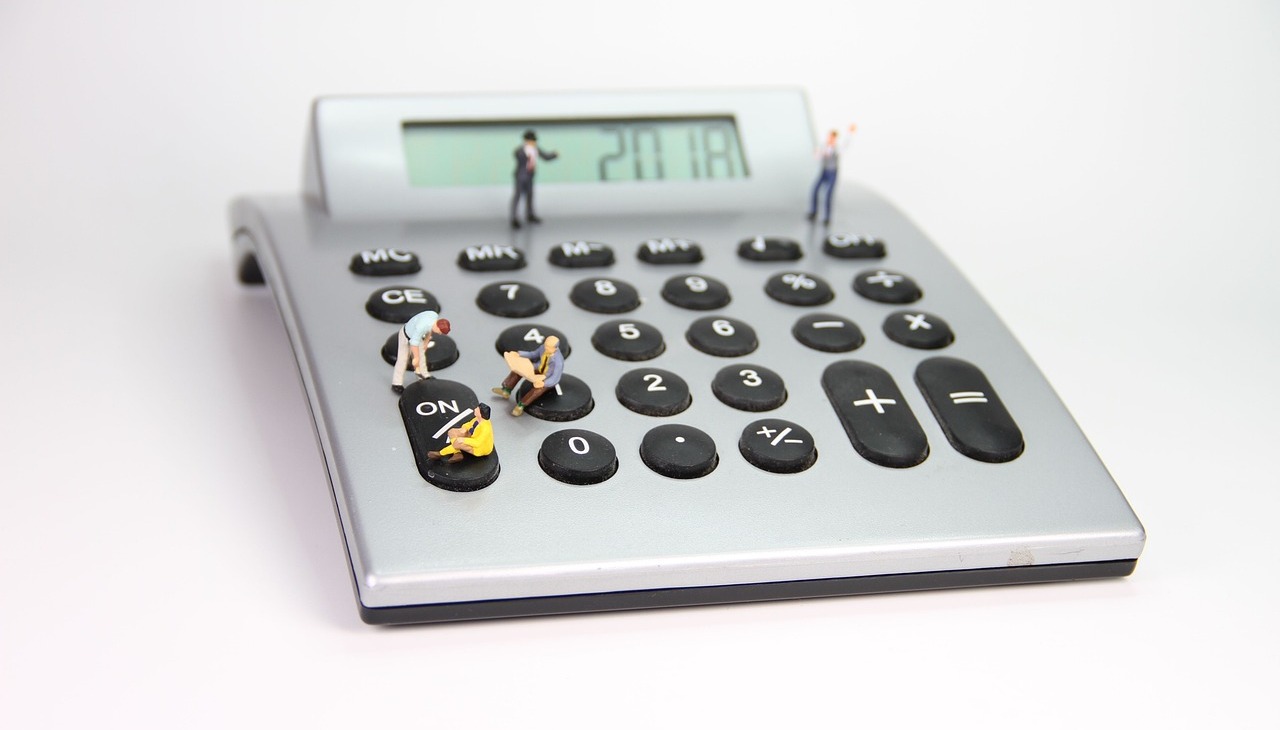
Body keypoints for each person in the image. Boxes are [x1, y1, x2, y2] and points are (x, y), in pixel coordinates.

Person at [492, 336, 564, 416]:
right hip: (538, 368)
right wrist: (519, 354)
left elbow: (555, 378)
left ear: (555, 348)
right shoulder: (543, 348)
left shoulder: (559, 361)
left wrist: (543, 383)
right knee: (518, 370)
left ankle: (521, 406)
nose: (545, 347)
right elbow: (533, 354)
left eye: (548, 347)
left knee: (537, 389)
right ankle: (506, 390)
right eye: (545, 345)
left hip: (547, 377)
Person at [806, 124, 857, 226]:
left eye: (833, 138)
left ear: (835, 139)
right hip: (824, 171)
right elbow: (816, 156)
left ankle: (827, 217)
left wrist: (850, 133)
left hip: (832, 172)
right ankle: (814, 211)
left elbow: (846, 145)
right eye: (830, 137)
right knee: (815, 189)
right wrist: (819, 153)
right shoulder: (823, 147)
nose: (831, 139)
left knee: (828, 194)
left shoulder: (837, 149)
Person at [391, 310, 451, 393]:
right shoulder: (421, 327)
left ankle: (423, 375)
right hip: (405, 336)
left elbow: (429, 330)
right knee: (403, 359)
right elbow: (413, 343)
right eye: (440, 332)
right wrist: (416, 357)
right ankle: (396, 383)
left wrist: (426, 341)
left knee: (422, 357)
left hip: (417, 337)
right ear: (437, 327)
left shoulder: (434, 317)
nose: (440, 334)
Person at [510, 130, 559, 228]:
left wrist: (553, 155)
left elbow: (545, 157)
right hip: (521, 176)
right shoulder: (520, 150)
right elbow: (517, 156)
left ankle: (530, 215)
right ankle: (514, 218)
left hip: (530, 176)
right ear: (526, 141)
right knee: (518, 196)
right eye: (531, 140)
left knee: (530, 196)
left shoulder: (536, 149)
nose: (533, 142)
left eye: (534, 140)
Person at [427, 404, 494, 464]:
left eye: (477, 409)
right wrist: (464, 428)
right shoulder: (478, 419)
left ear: (480, 413)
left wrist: (463, 440)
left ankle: (440, 453)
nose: (475, 409)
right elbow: (469, 424)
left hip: (480, 448)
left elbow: (478, 442)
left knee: (458, 443)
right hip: (471, 436)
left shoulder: (485, 428)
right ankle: (457, 453)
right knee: (452, 432)